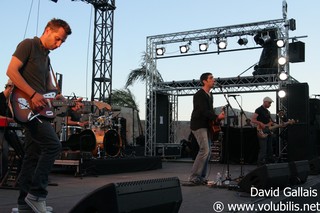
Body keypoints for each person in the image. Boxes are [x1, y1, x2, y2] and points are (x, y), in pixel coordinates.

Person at [6, 18, 72, 213]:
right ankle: (37, 195)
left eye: (62, 42)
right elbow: (11, 70)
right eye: (58, 39)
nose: (59, 44)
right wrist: (33, 95)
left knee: (31, 156)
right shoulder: (29, 45)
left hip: (39, 110)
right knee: (53, 145)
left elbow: (48, 90)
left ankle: (24, 204)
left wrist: (59, 97)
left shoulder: (47, 58)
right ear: (47, 30)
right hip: (25, 106)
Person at [188, 72, 225, 185]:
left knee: (207, 152)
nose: (213, 80)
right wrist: (217, 117)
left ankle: (201, 177)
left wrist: (217, 119)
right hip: (198, 125)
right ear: (204, 81)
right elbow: (204, 111)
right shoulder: (199, 94)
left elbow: (210, 111)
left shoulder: (210, 95)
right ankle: (194, 176)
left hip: (206, 125)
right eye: (211, 78)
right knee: (205, 150)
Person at [251, 96, 276, 166]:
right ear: (264, 102)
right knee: (263, 149)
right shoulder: (259, 109)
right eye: (269, 103)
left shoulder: (268, 111)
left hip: (268, 131)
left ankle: (268, 164)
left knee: (270, 149)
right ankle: (260, 165)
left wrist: (278, 124)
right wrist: (260, 123)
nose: (270, 105)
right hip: (261, 131)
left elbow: (270, 122)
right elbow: (253, 120)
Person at [0, 79, 15, 181]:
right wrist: (8, 119)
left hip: (7, 130)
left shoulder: (9, 102)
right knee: (3, 149)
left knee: (22, 146)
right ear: (10, 88)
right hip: (0, 130)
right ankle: (2, 176)